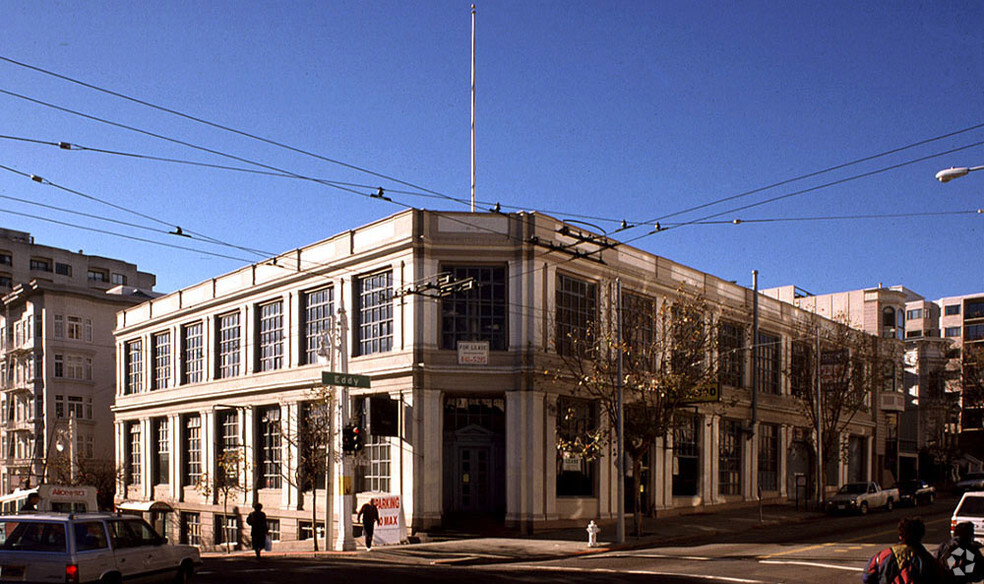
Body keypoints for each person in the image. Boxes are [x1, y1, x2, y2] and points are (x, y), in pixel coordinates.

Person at [862, 517, 942, 584]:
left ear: (900, 536)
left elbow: (867, 577)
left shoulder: (882, 556)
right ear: (921, 536)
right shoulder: (928, 560)